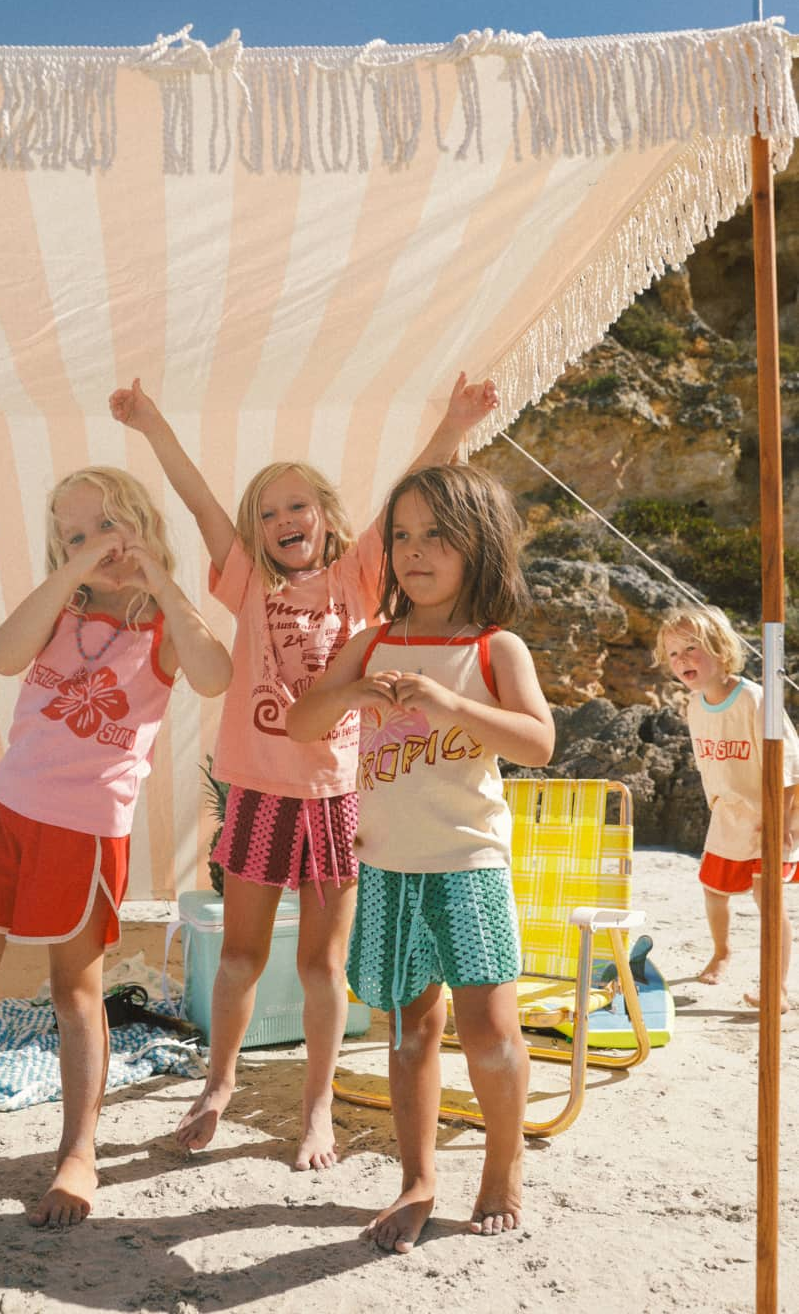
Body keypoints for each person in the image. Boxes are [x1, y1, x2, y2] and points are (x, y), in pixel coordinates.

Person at [109, 374, 495, 1171]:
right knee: (243, 956)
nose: (284, 521)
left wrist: (454, 421)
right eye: (268, 513)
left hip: (339, 798)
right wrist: (149, 421)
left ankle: (317, 1106)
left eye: (298, 507)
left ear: (325, 518)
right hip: (257, 791)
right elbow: (198, 502)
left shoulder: (358, 576)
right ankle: (218, 1082)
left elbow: (401, 503)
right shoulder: (245, 579)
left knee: (323, 964)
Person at [0, 467, 231, 1229]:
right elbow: (1, 654)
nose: (94, 547)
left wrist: (155, 574)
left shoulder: (165, 624)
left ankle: (78, 1152)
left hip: (85, 830)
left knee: (74, 994)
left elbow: (217, 674)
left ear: (143, 526)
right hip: (8, 814)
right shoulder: (62, 608)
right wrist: (70, 575)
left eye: (106, 528)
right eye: (73, 536)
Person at [286, 463, 554, 1250]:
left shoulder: (494, 647)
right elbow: (303, 723)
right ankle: (418, 1178)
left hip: (469, 867)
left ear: (480, 544)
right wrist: (350, 697)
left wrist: (450, 705)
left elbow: (538, 743)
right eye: (402, 535)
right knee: (407, 1031)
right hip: (388, 870)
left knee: (490, 1031)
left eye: (436, 534)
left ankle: (502, 1167)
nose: (414, 550)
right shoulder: (371, 642)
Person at [655, 604, 799, 1011]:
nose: (682, 659)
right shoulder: (695, 706)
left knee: (767, 899)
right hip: (728, 816)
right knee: (714, 891)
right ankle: (722, 951)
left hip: (771, 816)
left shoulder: (754, 698)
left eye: (691, 648)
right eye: (673, 653)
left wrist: (785, 821)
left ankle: (776, 987)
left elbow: (789, 762)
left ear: (720, 650)